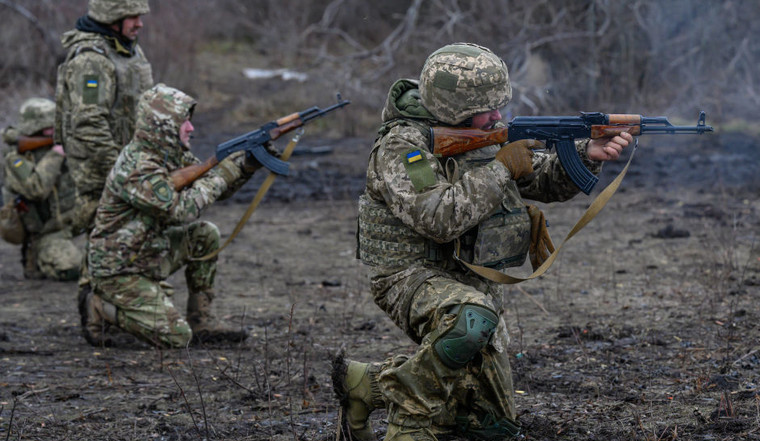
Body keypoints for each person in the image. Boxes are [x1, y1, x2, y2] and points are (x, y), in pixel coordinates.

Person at [334, 43, 633, 441]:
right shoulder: (403, 148)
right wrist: (500, 168)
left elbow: (540, 178)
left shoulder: (480, 134)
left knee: (493, 426)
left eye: (499, 106)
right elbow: (439, 217)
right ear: (453, 106)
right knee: (469, 319)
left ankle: (367, 384)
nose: (497, 116)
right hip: (409, 275)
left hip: (471, 281)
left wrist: (587, 153)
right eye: (487, 108)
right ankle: (410, 422)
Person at [79, 84, 263, 348]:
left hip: (148, 254)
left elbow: (215, 189)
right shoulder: (136, 167)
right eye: (183, 121)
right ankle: (99, 307)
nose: (191, 128)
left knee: (205, 234)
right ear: (162, 125)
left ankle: (202, 320)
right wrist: (225, 174)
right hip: (118, 271)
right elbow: (180, 210)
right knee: (176, 337)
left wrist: (244, 168)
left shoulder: (170, 154)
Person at [54, 0, 153, 232]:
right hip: (103, 175)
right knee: (105, 255)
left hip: (126, 168)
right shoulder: (91, 60)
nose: (139, 23)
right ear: (111, 17)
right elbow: (88, 124)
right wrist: (120, 170)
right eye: (132, 17)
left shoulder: (127, 51)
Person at [1, 98, 83, 281]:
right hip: (46, 233)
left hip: (73, 225)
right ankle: (37, 259)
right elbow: (36, 188)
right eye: (48, 127)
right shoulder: (16, 157)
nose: (53, 130)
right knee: (72, 268)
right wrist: (56, 154)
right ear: (33, 128)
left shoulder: (58, 144)